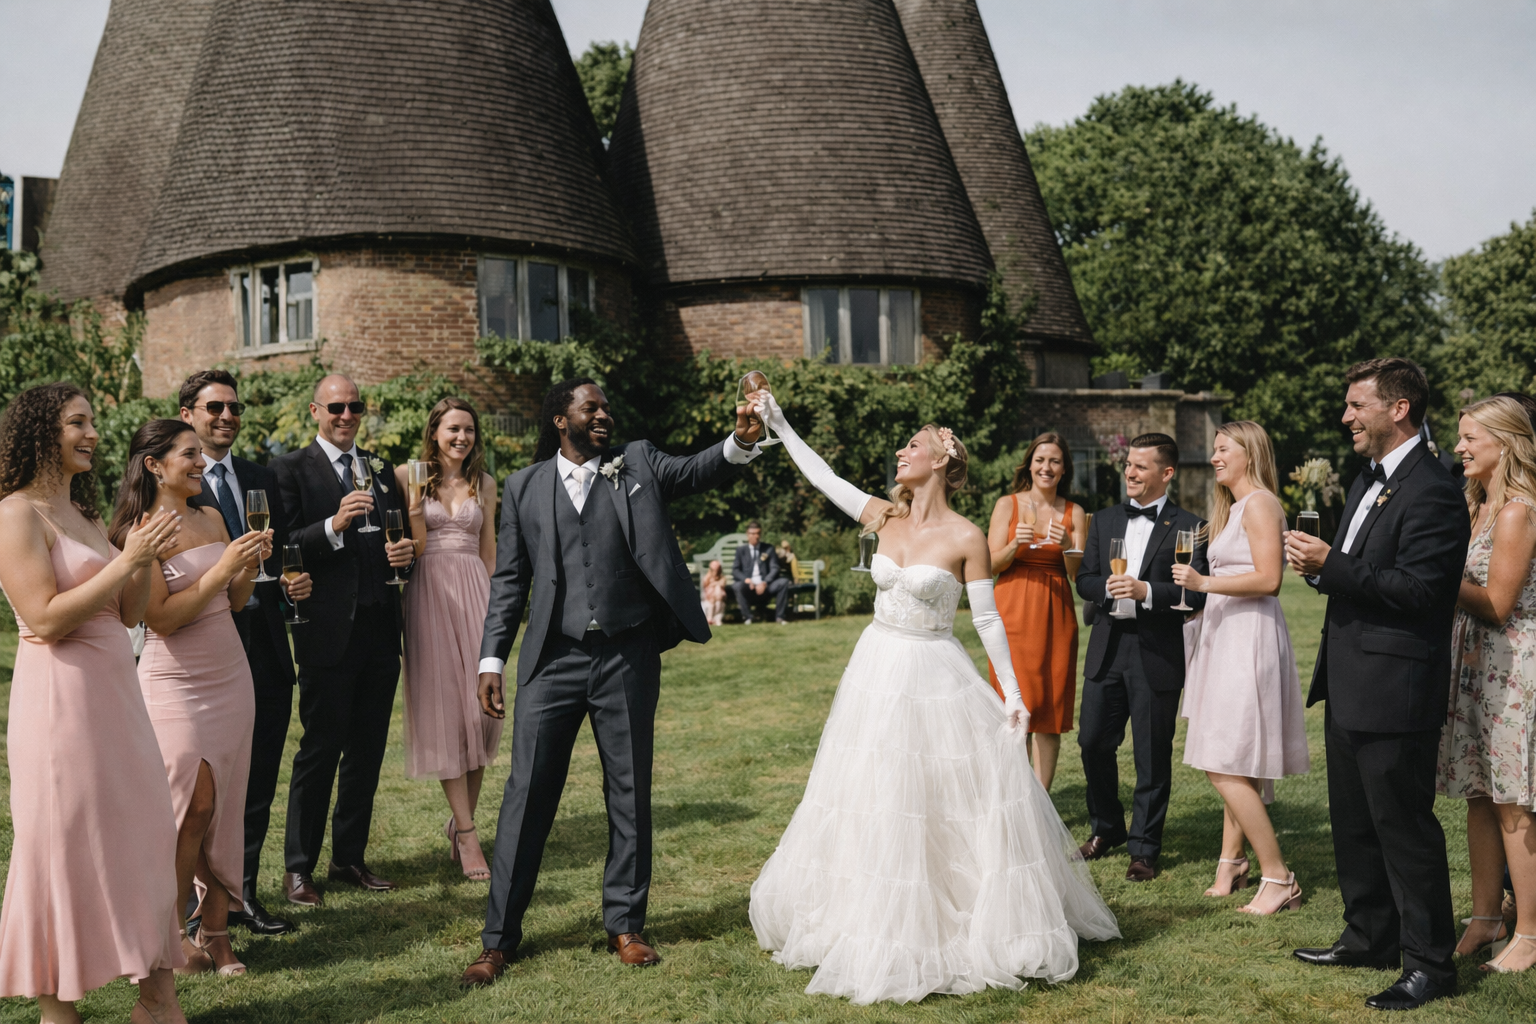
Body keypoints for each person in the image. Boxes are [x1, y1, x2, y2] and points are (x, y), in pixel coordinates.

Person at [748, 395, 1119, 1004]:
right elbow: (822, 476)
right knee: (870, 790)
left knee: (934, 799)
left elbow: (989, 622)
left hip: (934, 672)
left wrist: (1015, 694)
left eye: (912, 445)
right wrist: (780, 424)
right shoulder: (881, 517)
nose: (901, 453)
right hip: (876, 669)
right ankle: (861, 912)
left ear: (942, 459)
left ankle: (947, 914)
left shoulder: (968, 535)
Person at [461, 377, 764, 986]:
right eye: (590, 408)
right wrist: (491, 660)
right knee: (526, 796)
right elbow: (510, 583)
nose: (603, 414)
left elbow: (698, 469)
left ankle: (625, 925)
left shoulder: (640, 463)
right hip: (552, 660)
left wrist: (739, 441)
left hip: (627, 654)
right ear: (559, 421)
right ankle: (498, 940)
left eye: (606, 405)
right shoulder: (522, 489)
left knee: (628, 791)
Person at [0, 383, 189, 1024]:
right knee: (63, 845)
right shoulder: (16, 514)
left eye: (93, 422)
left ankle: (156, 1001)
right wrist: (125, 560)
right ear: (41, 433)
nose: (93, 434)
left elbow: (131, 613)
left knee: (142, 834)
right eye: (78, 422)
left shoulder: (81, 513)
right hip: (61, 705)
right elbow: (43, 619)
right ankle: (61, 1008)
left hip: (118, 696)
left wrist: (143, 561)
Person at [1285, 358, 1467, 1011]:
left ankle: (1430, 964)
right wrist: (1319, 568)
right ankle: (1369, 935)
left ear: (1398, 409)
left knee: (1404, 829)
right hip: (1350, 679)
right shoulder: (1371, 478)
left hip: (1397, 688)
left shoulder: (1435, 488)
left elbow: (1422, 591)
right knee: (1355, 823)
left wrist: (1330, 564)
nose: (1345, 417)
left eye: (1355, 405)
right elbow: (1358, 572)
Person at [107, 420, 270, 976]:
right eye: (190, 454)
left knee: (227, 806)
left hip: (231, 674)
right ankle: (171, 933)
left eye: (201, 454)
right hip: (175, 682)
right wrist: (224, 565)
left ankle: (218, 934)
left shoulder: (212, 516)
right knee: (190, 809)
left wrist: (246, 567)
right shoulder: (141, 529)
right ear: (154, 465)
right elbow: (163, 620)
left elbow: (238, 599)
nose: (202, 463)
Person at [271, 375, 416, 907]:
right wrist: (332, 526)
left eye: (355, 406)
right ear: (316, 410)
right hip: (327, 632)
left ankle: (349, 857)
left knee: (367, 750)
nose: (347, 414)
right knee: (320, 748)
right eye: (337, 407)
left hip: (381, 629)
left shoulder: (379, 468)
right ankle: (298, 868)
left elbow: (397, 537)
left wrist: (406, 556)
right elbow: (282, 546)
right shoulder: (290, 469)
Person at [177, 369, 307, 937]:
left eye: (233, 408)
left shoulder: (261, 476)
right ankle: (188, 902)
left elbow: (265, 561)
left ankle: (242, 894)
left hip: (266, 648)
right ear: (188, 414)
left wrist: (286, 580)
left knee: (258, 777)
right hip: (198, 653)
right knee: (197, 789)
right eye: (214, 408)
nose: (226, 416)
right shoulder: (171, 479)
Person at [1170, 421, 1310, 914]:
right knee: (1236, 756)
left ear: (1248, 454)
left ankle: (1278, 876)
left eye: (1222, 449)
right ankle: (1232, 862)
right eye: (1213, 449)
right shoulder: (1231, 509)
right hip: (1224, 633)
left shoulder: (1262, 505)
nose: (1214, 457)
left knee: (1223, 760)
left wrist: (1201, 582)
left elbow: (1271, 578)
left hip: (1248, 636)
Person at [1074, 433, 1209, 881]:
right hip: (1108, 644)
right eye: (1128, 464)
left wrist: (1146, 590)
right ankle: (1106, 827)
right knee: (1092, 742)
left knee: (1152, 756)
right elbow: (1086, 579)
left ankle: (1144, 849)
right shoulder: (1106, 519)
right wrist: (1105, 589)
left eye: (1140, 466)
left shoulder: (1189, 526)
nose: (1129, 472)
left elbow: (1195, 593)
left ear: (1166, 473)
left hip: (1156, 650)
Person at [1437, 396, 1536, 972]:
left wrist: (1434, 574)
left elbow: (1498, 604)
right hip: (1472, 666)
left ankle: (1528, 933)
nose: (1459, 447)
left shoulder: (1519, 510)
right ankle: (1484, 918)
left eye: (1471, 438)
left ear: (1507, 441)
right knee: (1479, 793)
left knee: (1513, 801)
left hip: (1511, 670)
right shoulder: (1477, 505)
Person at [396, 397, 500, 882]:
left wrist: (499, 616)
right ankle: (469, 834)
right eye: (454, 429)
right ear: (434, 431)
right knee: (446, 716)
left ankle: (460, 827)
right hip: (430, 595)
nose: (463, 438)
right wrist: (416, 509)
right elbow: (413, 548)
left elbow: (490, 550)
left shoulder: (485, 484)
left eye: (470, 431)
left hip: (477, 597)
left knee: (481, 716)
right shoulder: (408, 476)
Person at [986, 432, 1086, 791]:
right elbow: (990, 564)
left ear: (1064, 469)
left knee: (1048, 709)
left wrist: (1068, 546)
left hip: (1056, 613)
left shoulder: (1075, 513)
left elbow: (1079, 576)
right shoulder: (1007, 505)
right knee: (1015, 706)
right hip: (1013, 611)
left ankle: (1041, 799)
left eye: (1055, 461)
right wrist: (1016, 544)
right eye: (1040, 459)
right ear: (1029, 464)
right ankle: (1014, 794)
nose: (1047, 467)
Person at [732, 521, 788, 623]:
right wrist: (747, 580)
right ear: (747, 535)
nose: (756, 536)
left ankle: (780, 617)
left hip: (766, 586)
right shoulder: (741, 550)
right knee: (737, 586)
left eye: (758, 533)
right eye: (753, 534)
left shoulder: (768, 549)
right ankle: (748, 617)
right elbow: (735, 570)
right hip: (749, 586)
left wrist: (765, 582)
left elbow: (774, 568)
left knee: (783, 582)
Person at [700, 559, 726, 626]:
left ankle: (711, 618)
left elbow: (722, 584)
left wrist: (714, 584)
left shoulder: (722, 578)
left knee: (718, 589)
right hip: (709, 597)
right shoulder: (707, 577)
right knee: (716, 589)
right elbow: (705, 587)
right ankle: (712, 618)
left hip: (719, 598)